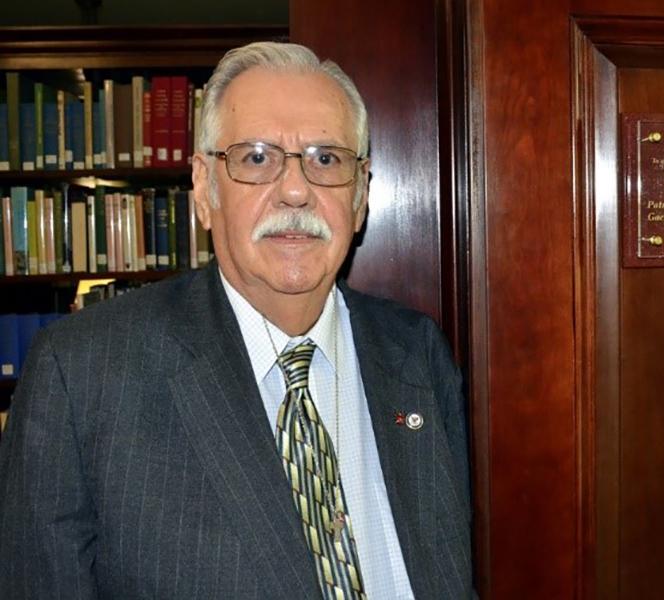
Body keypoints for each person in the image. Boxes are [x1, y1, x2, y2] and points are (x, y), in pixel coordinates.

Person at [0, 42, 473, 599]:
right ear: (204, 189)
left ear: (361, 193)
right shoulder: (82, 374)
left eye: (326, 159)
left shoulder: (417, 352)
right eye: (256, 158)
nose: (296, 190)